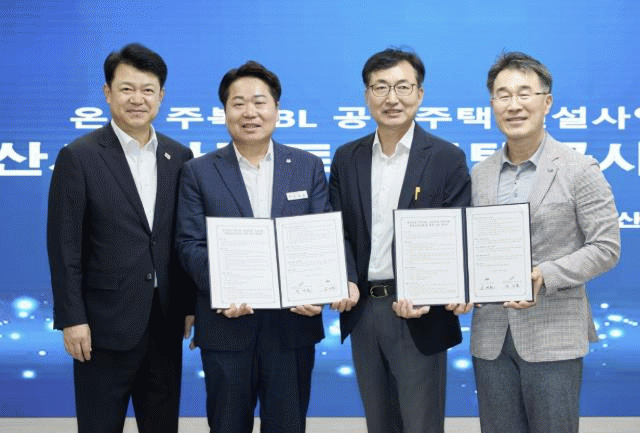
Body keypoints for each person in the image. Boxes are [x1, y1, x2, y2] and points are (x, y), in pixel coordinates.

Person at [175, 61, 335, 433]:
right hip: (226, 326)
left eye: (260, 102)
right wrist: (225, 288)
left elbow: (321, 237)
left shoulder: (307, 166)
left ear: (277, 109)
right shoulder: (199, 171)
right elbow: (189, 245)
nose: (250, 113)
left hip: (292, 326)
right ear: (225, 111)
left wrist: (319, 290)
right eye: (238, 103)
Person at [46, 43, 195, 433]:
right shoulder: (79, 156)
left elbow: (183, 239)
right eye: (127, 89)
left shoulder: (179, 156)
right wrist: (72, 319)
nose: (137, 99)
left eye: (148, 90)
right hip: (102, 326)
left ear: (161, 96)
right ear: (107, 92)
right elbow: (64, 247)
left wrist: (189, 304)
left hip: (165, 321)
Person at [469, 51, 621, 433]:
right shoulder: (479, 174)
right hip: (491, 337)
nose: (514, 105)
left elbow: (606, 247)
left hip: (553, 335)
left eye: (525, 93)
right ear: (492, 104)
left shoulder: (579, 168)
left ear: (546, 102)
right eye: (503, 95)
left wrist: (545, 274)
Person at [329, 48, 471, 433]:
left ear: (419, 94)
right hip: (363, 309)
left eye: (403, 87)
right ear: (366, 95)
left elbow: (458, 234)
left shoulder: (447, 157)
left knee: (421, 424)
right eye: (381, 87)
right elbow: (337, 230)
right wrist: (344, 279)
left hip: (420, 313)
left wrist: (435, 290)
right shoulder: (347, 158)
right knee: (379, 423)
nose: (392, 98)